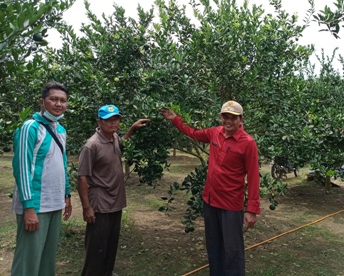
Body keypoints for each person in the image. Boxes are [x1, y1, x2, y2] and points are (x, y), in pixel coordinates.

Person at [160, 100, 260, 276]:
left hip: (231, 205)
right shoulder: (215, 133)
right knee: (213, 246)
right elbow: (193, 132)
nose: (228, 121)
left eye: (233, 118)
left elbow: (253, 177)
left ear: (241, 119)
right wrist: (175, 119)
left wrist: (252, 209)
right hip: (210, 200)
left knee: (232, 250)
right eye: (225, 117)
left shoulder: (248, 143)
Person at [77, 104, 150, 276]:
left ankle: (107, 272)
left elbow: (121, 143)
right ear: (99, 122)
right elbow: (82, 177)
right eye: (108, 120)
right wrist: (87, 207)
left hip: (116, 201)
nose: (113, 123)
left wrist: (132, 128)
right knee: (96, 246)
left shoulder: (114, 138)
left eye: (116, 119)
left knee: (111, 242)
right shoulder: (91, 146)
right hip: (100, 202)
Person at [11, 81, 72, 276]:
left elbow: (61, 163)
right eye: (53, 99)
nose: (58, 104)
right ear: (42, 101)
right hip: (36, 204)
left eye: (63, 100)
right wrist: (28, 207)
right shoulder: (30, 128)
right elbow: (22, 168)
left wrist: (67, 193)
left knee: (47, 258)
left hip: (54, 203)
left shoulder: (60, 130)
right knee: (28, 261)